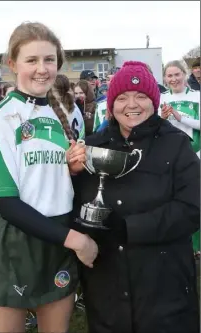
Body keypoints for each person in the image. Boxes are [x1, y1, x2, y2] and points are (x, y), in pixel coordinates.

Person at [0, 21, 98, 333]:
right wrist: (78, 240)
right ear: (12, 64)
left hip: (57, 235)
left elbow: (48, 180)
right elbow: (7, 201)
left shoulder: (56, 115)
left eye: (49, 60)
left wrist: (72, 170)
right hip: (12, 238)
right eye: (32, 60)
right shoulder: (0, 117)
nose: (42, 69)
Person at [72, 61, 200, 333]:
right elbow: (75, 205)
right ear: (112, 104)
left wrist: (129, 228)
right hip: (107, 281)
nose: (132, 104)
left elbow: (192, 208)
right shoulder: (93, 146)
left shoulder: (176, 144)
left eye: (141, 96)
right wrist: (71, 175)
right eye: (122, 97)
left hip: (165, 284)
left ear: (154, 101)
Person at [159, 60, 200, 257]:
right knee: (173, 199)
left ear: (184, 75)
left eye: (177, 74)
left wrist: (179, 116)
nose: (173, 79)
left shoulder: (197, 96)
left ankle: (197, 246)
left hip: (195, 154)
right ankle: (177, 242)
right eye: (169, 75)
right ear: (165, 78)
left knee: (195, 200)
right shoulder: (160, 98)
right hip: (169, 158)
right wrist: (163, 118)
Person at [48, 74, 85, 141]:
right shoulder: (75, 105)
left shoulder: (53, 108)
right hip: (77, 145)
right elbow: (82, 129)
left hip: (65, 147)